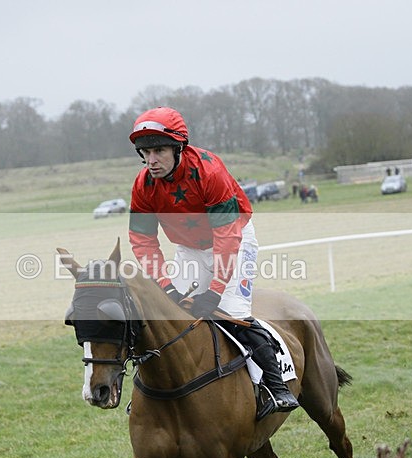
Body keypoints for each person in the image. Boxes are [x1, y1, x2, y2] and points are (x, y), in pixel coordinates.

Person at [127, 106, 298, 417]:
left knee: (231, 313)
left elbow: (227, 237)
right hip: (189, 249)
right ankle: (154, 392)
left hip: (234, 237)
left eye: (159, 151)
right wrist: (166, 287)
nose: (151, 160)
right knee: (164, 315)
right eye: (146, 152)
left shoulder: (209, 171)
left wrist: (214, 291)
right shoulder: (143, 185)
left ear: (179, 148)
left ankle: (274, 385)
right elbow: (143, 240)